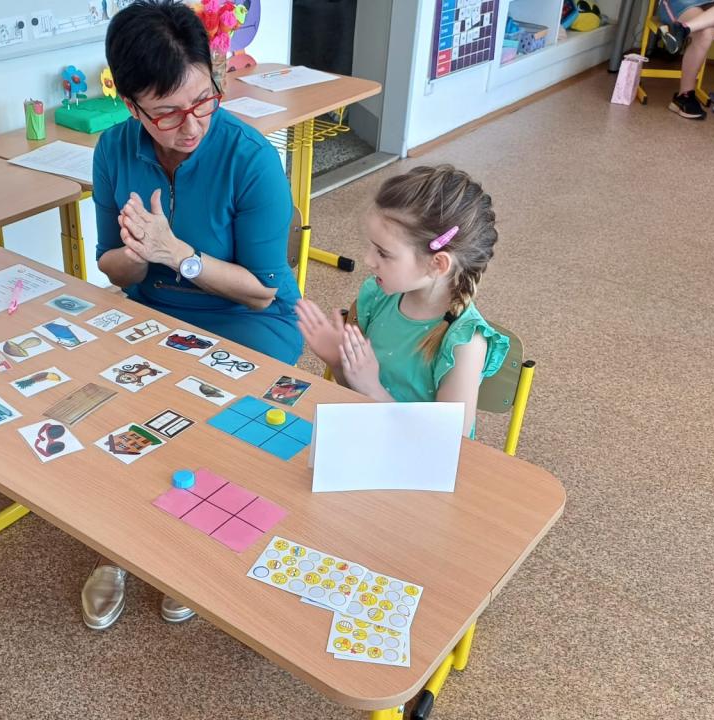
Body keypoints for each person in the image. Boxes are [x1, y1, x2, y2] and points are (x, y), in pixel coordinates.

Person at [83, 0, 300, 632]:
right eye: (168, 112)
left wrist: (177, 254)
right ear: (132, 106)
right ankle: (117, 544)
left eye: (203, 99)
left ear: (215, 78)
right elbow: (111, 266)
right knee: (104, 400)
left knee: (205, 416)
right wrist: (136, 255)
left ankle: (190, 547)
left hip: (248, 317)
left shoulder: (250, 157)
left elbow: (263, 292)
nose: (191, 124)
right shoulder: (113, 149)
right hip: (155, 308)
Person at [296, 165, 509, 440]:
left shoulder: (465, 343)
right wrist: (338, 362)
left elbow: (447, 443)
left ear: (437, 264)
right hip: (364, 441)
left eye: (383, 253)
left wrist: (373, 389)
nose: (368, 259)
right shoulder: (378, 296)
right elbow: (357, 397)